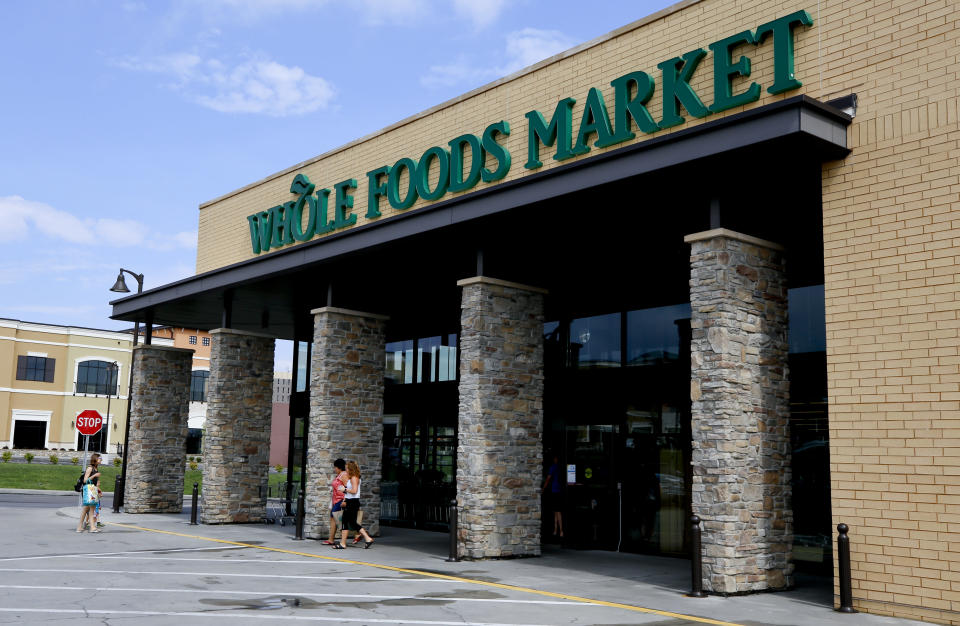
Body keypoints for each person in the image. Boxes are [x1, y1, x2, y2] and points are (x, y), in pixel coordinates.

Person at [334, 460, 374, 549]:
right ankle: (367, 538)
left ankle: (343, 543)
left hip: (352, 502)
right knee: (352, 522)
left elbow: (354, 491)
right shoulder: (353, 477)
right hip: (351, 501)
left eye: (347, 468)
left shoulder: (354, 478)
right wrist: (345, 493)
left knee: (346, 521)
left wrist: (344, 490)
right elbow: (351, 491)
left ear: (350, 469)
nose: (345, 470)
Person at [323, 458, 348, 545]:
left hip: (340, 500)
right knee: (333, 518)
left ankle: (358, 534)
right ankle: (331, 539)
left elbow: (347, 488)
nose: (334, 469)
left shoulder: (344, 475)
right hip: (336, 500)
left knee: (337, 519)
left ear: (339, 467)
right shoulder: (339, 475)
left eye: (335, 467)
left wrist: (345, 500)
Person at [76, 453, 102, 533]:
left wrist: (98, 489)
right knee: (90, 509)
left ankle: (81, 527)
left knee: (87, 509)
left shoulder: (96, 469)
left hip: (92, 491)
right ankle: (91, 527)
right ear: (95, 459)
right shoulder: (90, 468)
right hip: (88, 491)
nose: (101, 460)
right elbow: (85, 480)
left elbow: (94, 482)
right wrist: (94, 476)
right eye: (99, 458)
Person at [542, 454, 563, 538]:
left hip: (555, 491)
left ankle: (560, 531)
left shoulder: (553, 467)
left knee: (557, 512)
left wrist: (543, 489)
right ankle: (555, 530)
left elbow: (548, 479)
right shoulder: (561, 467)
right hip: (560, 490)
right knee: (556, 511)